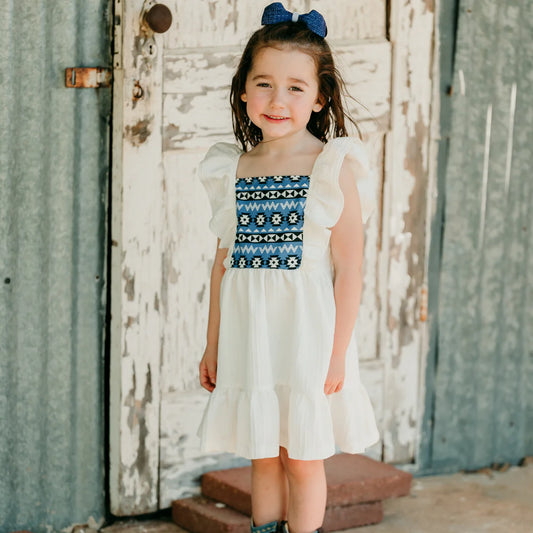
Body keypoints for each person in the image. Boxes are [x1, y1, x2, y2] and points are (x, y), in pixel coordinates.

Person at [196, 3, 380, 532]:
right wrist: (213, 344)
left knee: (301, 455)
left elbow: (350, 269)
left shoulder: (331, 167)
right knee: (262, 454)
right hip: (250, 337)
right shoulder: (233, 168)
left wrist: (338, 353)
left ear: (319, 97)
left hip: (307, 338)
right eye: (265, 84)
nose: (278, 100)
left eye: (296, 87)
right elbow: (223, 264)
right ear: (243, 91)